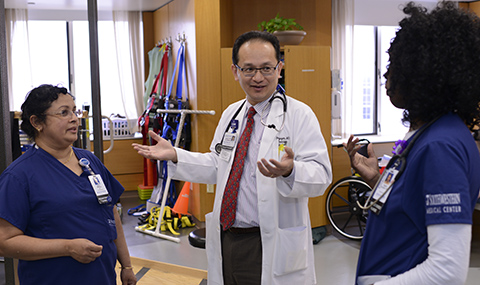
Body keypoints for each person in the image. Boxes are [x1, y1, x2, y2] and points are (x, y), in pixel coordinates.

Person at [133, 31, 332, 284]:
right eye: (248, 69)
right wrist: (175, 155)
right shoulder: (232, 115)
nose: (258, 77)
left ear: (279, 68)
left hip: (270, 241)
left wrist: (290, 171)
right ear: (235, 71)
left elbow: (322, 175)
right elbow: (219, 166)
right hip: (227, 237)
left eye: (267, 68)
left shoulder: (299, 115)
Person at [343, 2, 480, 284]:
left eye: (395, 65)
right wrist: (375, 181)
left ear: (425, 74)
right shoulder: (430, 132)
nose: (386, 75)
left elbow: (447, 271)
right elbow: (412, 212)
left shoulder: (441, 145)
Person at [0, 84, 137, 285]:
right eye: (64, 113)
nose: (74, 118)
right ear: (37, 122)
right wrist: (67, 247)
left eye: (74, 111)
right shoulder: (19, 176)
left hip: (102, 278)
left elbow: (112, 214)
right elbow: (5, 242)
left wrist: (126, 266)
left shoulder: (90, 161)